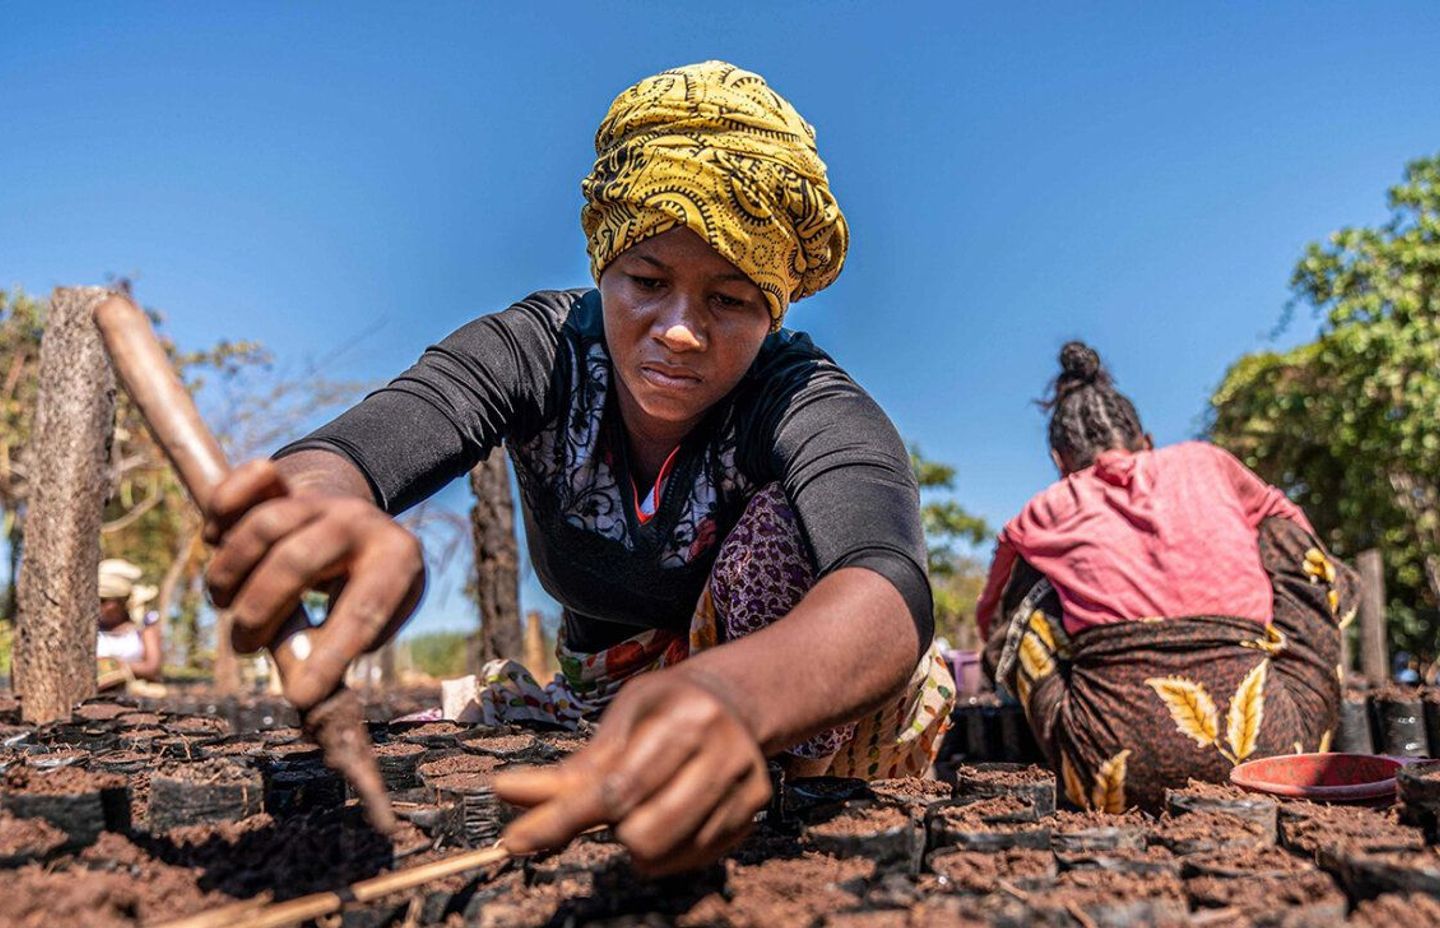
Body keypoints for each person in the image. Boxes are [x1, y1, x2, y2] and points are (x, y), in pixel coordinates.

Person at [202, 61, 955, 873]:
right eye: (648, 281)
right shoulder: (541, 352)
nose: (680, 330)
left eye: (730, 299)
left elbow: (885, 584)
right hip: (605, 703)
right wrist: (325, 505)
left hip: (786, 714)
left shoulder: (801, 397)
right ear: (603, 267)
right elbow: (364, 446)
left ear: (771, 313)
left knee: (782, 531)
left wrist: (735, 696)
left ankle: (787, 805)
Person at [976, 342, 1358, 811]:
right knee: (1281, 538)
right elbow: (1295, 528)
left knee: (1029, 585)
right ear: (1148, 443)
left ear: (1059, 462)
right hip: (1277, 752)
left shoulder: (1042, 511)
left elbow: (993, 624)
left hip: (1107, 771)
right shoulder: (1206, 461)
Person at [97, 558, 163, 683]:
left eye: (104, 601)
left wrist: (114, 667)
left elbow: (153, 668)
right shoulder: (90, 628)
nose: (99, 606)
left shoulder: (144, 626)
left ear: (121, 601)